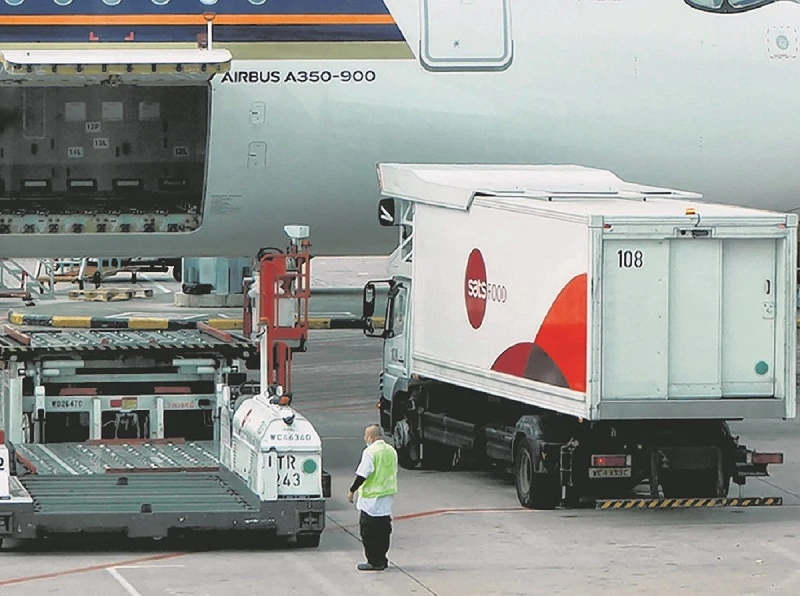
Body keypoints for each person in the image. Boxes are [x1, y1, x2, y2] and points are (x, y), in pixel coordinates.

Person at [347, 424, 398, 571]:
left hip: (371, 499)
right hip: (386, 496)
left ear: (370, 437)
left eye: (365, 436)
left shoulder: (370, 452)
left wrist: (352, 490)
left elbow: (363, 474)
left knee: (368, 531)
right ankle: (382, 558)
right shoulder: (391, 450)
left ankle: (374, 561)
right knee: (384, 530)